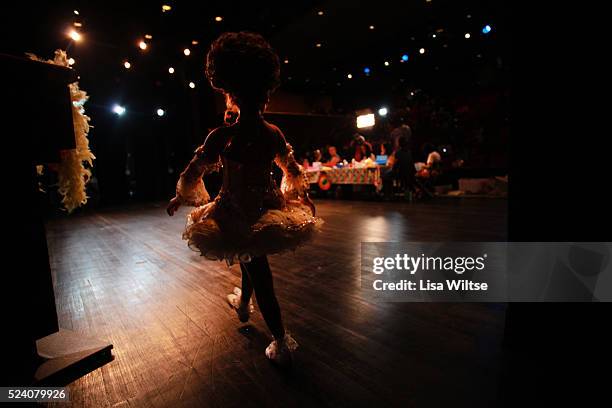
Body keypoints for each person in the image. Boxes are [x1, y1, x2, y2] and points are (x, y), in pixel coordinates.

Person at [166, 32, 321, 366]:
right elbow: (291, 169)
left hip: (238, 214)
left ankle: (281, 340)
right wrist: (302, 195)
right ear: (264, 93)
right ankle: (242, 305)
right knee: (250, 256)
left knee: (257, 268)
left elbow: (195, 170)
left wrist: (180, 197)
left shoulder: (223, 135)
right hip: (264, 211)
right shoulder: (272, 133)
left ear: (229, 92)